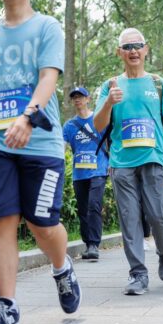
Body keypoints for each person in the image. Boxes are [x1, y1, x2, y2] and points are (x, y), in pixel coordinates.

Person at [0, 0, 80, 324]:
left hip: (41, 142)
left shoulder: (47, 27)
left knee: (41, 223)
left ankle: (62, 268)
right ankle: (7, 306)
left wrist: (29, 117)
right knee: (1, 220)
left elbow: (48, 78)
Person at [94, 27, 163, 295]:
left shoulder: (159, 84)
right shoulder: (109, 85)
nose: (133, 51)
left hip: (154, 158)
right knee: (129, 218)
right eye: (127, 47)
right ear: (119, 52)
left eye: (138, 46)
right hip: (122, 162)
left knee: (158, 214)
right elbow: (99, 125)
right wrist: (109, 103)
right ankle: (138, 274)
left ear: (146, 50)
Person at [62, 86, 109, 260]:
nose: (77, 99)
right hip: (79, 173)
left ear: (88, 99)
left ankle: (93, 245)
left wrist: (114, 163)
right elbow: (63, 147)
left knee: (93, 205)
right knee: (82, 209)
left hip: (98, 169)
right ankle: (87, 242)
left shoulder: (99, 118)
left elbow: (109, 141)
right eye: (74, 97)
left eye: (81, 96)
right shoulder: (69, 126)